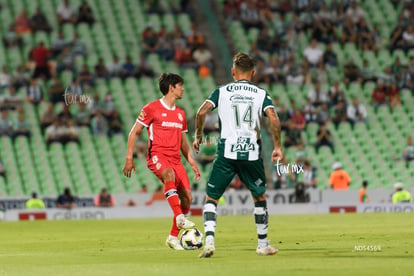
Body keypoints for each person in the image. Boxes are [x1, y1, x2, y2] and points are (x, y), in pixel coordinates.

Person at [193, 52, 283, 258]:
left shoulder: (222, 91)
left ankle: (209, 241)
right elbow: (273, 117)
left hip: (226, 151)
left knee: (211, 197)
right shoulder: (260, 93)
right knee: (259, 196)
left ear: (233, 72)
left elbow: (200, 113)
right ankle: (262, 245)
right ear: (253, 73)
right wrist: (277, 146)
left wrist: (198, 136)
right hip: (251, 152)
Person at [123, 73, 201, 251]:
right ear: (171, 87)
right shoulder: (151, 108)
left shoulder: (181, 114)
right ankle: (180, 217)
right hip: (157, 155)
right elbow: (134, 132)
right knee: (169, 175)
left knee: (187, 198)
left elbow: (183, 143)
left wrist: (191, 162)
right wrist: (129, 158)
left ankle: (173, 238)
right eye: (180, 85)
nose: (183, 89)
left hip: (176, 159)